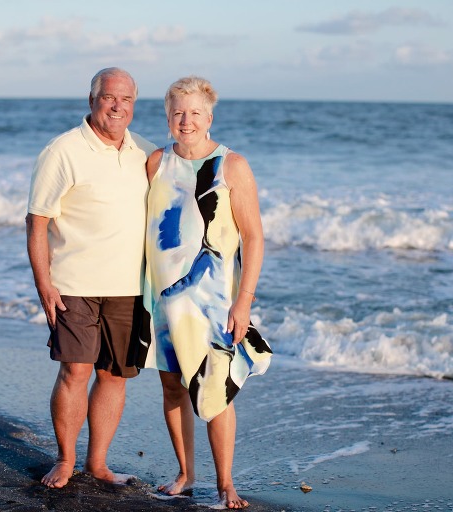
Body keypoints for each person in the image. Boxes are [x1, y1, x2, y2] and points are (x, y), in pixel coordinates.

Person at [136, 76, 272, 509]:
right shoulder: (156, 163)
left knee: (215, 392)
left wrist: (244, 300)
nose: (186, 120)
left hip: (213, 302)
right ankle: (185, 473)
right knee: (173, 388)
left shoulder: (232, 166)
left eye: (195, 112)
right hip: (160, 300)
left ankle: (225, 482)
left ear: (209, 117)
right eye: (178, 112)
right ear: (167, 116)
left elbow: (253, 237)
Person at [26, 67, 156, 489]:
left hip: (130, 287)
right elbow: (36, 221)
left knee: (115, 375)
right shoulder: (62, 150)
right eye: (109, 97)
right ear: (92, 99)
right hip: (75, 284)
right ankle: (65, 460)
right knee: (75, 371)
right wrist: (43, 282)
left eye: (127, 100)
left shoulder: (146, 154)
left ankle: (98, 463)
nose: (118, 107)